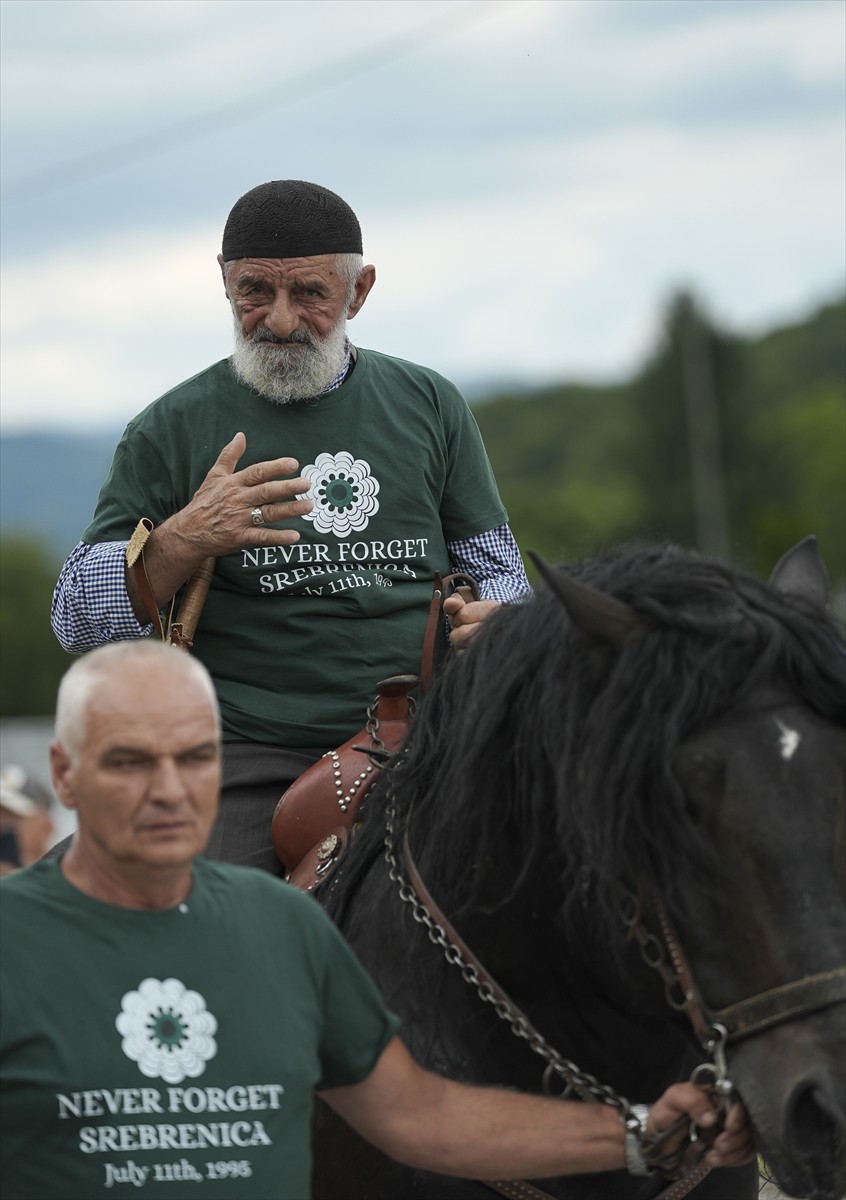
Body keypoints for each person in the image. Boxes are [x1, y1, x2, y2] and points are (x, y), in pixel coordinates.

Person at [0, 642, 753, 1199]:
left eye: (196, 757)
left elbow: (418, 1115)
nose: (169, 790)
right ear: (63, 771)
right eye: (131, 762)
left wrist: (635, 1132)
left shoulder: (283, 925)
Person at [51, 179, 531, 875]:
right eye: (254, 291)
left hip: (434, 734)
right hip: (248, 756)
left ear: (358, 292)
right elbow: (74, 619)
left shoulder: (430, 404)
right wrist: (186, 537)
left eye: (310, 292)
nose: (278, 319)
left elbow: (501, 572)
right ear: (223, 283)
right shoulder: (170, 428)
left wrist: (502, 621)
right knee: (205, 927)